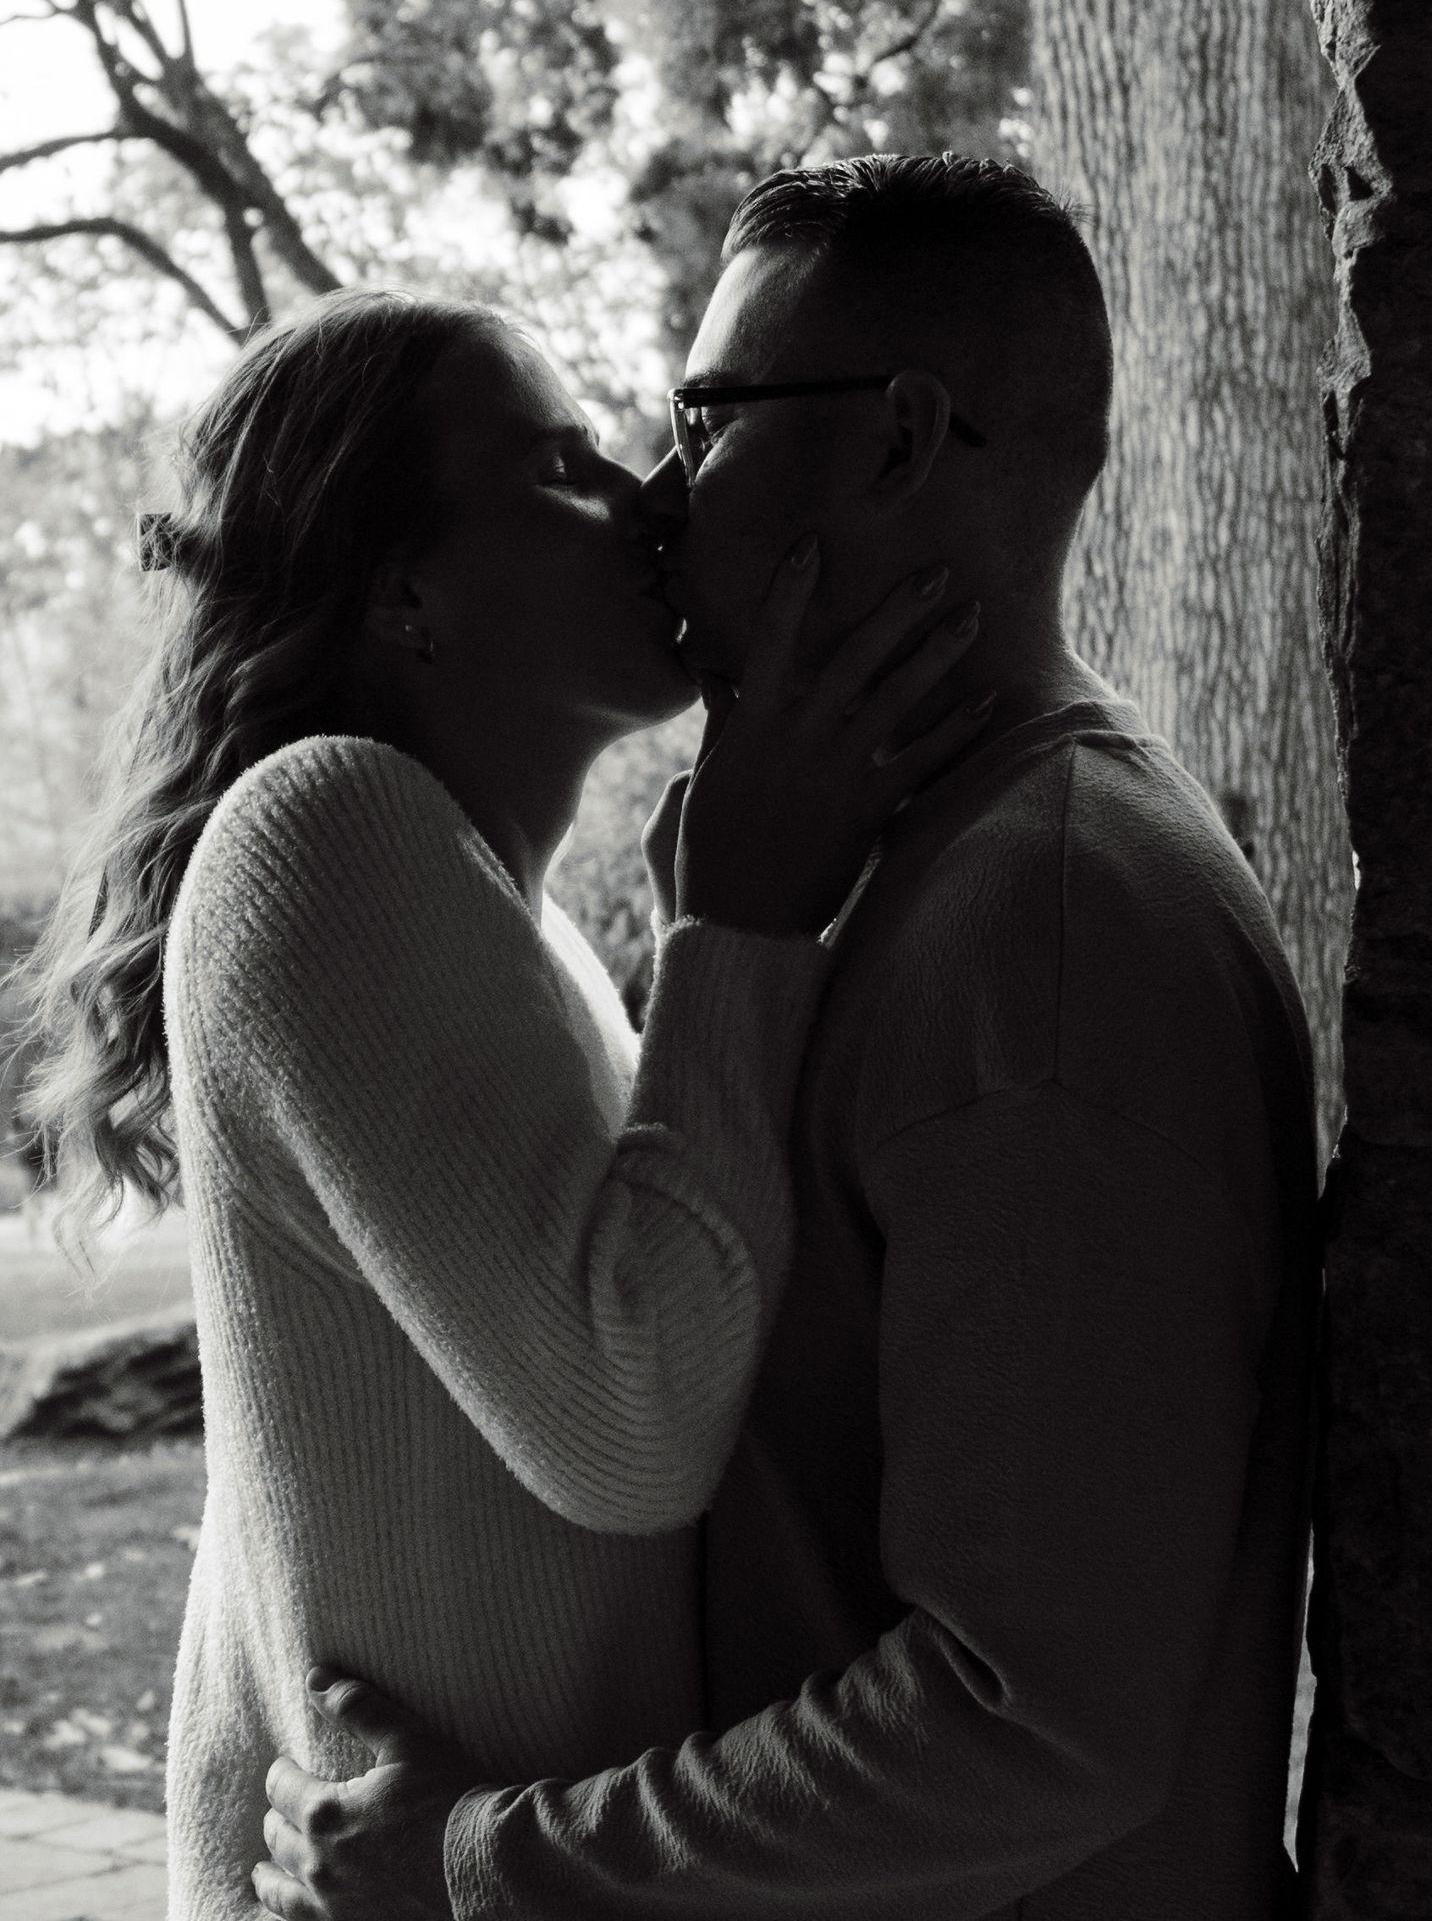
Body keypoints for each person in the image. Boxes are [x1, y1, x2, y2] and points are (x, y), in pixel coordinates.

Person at [256, 155, 1323, 1920]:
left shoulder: (1041, 923)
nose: (665, 490)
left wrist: (478, 1864)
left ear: (898, 440)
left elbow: (1035, 1724)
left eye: (709, 416)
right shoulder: (930, 872)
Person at [7, 286, 991, 1921]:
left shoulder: (514, 926)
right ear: (407, 592)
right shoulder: (325, 825)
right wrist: (740, 920)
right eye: (557, 466)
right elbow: (632, 1420)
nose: (648, 496)